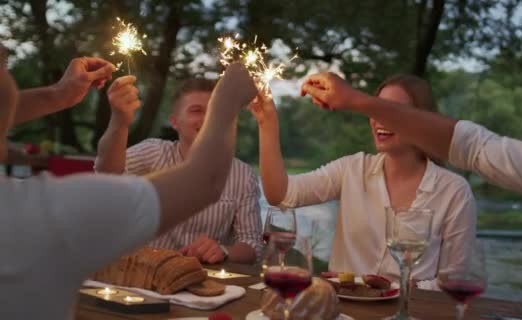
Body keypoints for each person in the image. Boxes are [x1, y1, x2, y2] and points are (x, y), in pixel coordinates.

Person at [300, 9, 522, 305]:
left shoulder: (456, 191)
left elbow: (452, 279)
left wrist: (358, 101)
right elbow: (474, 147)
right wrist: (357, 101)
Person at [0, 59, 258, 318]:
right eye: (3, 66)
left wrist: (59, 94)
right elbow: (204, 181)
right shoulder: (41, 212)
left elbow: (250, 241)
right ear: (174, 121)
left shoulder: (25, 207)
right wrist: (227, 102)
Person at [251, 74, 477, 282]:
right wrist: (267, 123)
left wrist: (386, 289)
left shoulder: (454, 191)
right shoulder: (351, 169)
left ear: (420, 119)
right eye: (377, 109)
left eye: (393, 110)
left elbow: (452, 283)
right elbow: (280, 194)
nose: (379, 119)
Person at [95, 77, 262, 264]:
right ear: (175, 122)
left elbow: (252, 244)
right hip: (143, 274)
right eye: (196, 110)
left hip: (203, 279)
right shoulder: (154, 153)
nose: (209, 118)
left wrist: (223, 250)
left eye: (216, 111)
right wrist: (119, 121)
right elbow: (106, 173)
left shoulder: (244, 175)